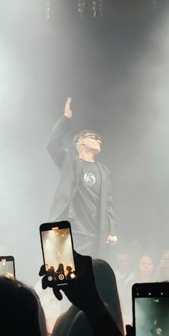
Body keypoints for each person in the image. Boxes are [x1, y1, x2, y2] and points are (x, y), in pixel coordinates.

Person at [47, 97, 117, 257]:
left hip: (96, 234)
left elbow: (108, 202)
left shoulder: (103, 171)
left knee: (94, 274)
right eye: (94, 137)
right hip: (73, 231)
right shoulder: (70, 161)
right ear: (81, 141)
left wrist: (112, 230)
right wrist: (65, 120)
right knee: (69, 275)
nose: (99, 140)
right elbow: (52, 145)